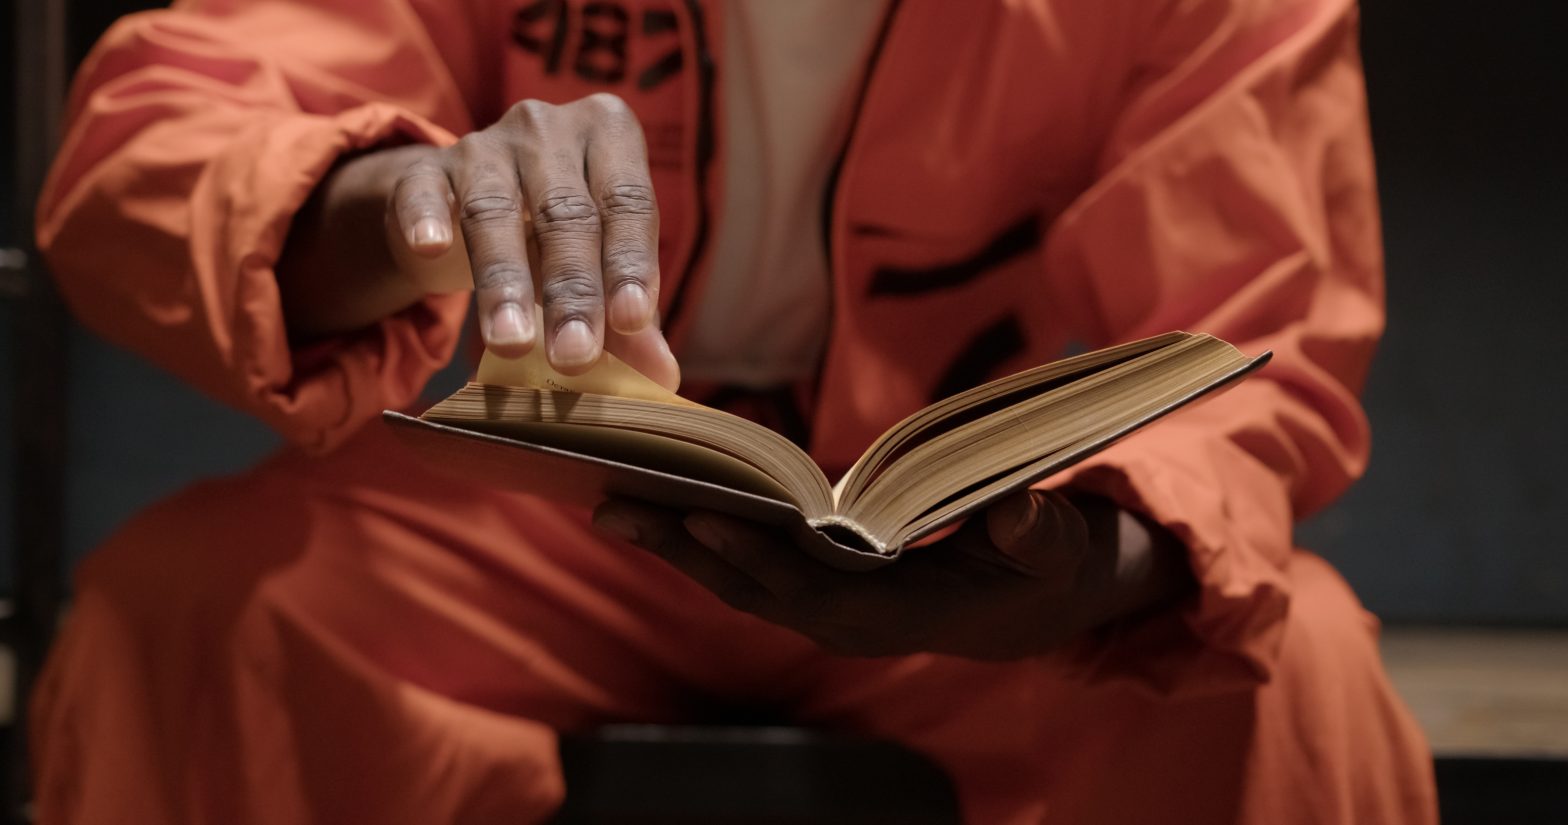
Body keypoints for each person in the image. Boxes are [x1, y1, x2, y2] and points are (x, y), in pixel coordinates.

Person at [31, 0, 1438, 822]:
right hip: (542, 518)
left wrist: (1077, 569)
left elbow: (1267, 329)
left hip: (959, 542)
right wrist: (405, 203)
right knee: (193, 619)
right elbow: (161, 144)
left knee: (1291, 676)